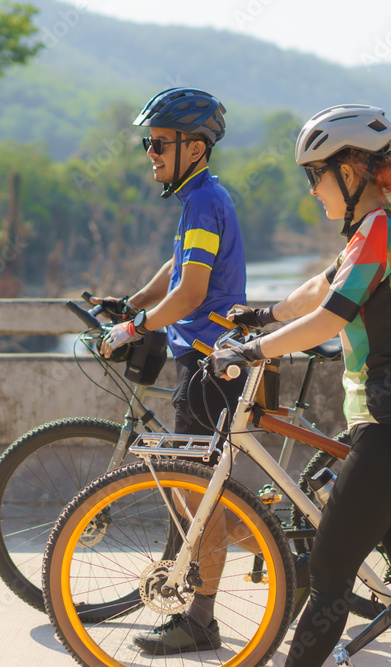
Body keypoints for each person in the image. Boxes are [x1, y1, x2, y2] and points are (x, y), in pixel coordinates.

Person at [214, 104, 391, 666]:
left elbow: (331, 315)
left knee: (328, 575)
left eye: (316, 175)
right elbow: (320, 287)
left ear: (351, 171)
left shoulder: (380, 230)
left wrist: (252, 350)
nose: (313, 190)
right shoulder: (375, 232)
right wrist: (262, 314)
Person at [93, 87, 248, 654]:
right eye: (146, 142)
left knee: (195, 499)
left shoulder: (205, 200)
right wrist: (132, 305)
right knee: (205, 496)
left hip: (209, 364)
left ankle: (201, 622)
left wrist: (133, 330)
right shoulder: (197, 201)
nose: (149, 152)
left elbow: (191, 292)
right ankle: (282, 553)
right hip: (201, 361)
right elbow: (175, 267)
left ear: (195, 147)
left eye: (158, 142)